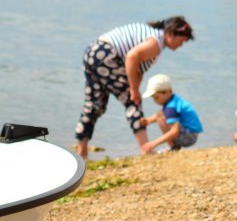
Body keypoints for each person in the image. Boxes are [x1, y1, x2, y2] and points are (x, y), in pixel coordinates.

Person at [77, 16, 195, 159]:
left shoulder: (152, 34)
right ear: (170, 33)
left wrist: (135, 88)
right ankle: (145, 149)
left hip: (93, 52)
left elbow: (136, 70)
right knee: (133, 103)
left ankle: (81, 151)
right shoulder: (155, 42)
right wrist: (133, 90)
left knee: (94, 105)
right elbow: (132, 57)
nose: (181, 45)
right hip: (108, 55)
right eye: (181, 40)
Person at [138, 74, 203, 154]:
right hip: (192, 134)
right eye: (153, 98)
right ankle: (173, 146)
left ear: (168, 91)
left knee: (160, 119)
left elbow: (174, 131)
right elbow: (162, 114)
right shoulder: (174, 99)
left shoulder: (170, 108)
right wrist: (149, 120)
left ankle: (171, 147)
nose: (155, 101)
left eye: (157, 97)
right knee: (160, 114)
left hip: (188, 137)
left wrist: (152, 144)